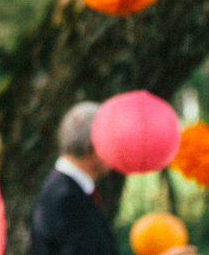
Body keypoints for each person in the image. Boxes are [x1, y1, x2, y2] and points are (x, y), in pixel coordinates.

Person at [31, 101, 197, 255]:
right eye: (113, 142)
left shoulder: (71, 189)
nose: (117, 151)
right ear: (94, 145)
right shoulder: (65, 198)